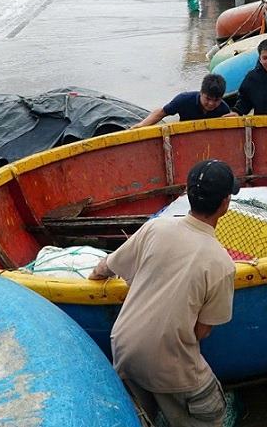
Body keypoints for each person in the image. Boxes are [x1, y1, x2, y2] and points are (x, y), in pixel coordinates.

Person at [88, 160, 238, 427]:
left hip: (123, 350)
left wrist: (93, 277)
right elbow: (201, 332)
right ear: (225, 204)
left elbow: (107, 267)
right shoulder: (222, 263)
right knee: (212, 415)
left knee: (138, 417)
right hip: (170, 364)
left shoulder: (156, 227)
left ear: (187, 193)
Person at [132, 74, 230, 128]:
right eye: (208, 99)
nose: (211, 104)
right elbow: (162, 112)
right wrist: (141, 125)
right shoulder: (184, 100)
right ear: (201, 92)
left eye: (216, 100)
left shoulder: (224, 110)